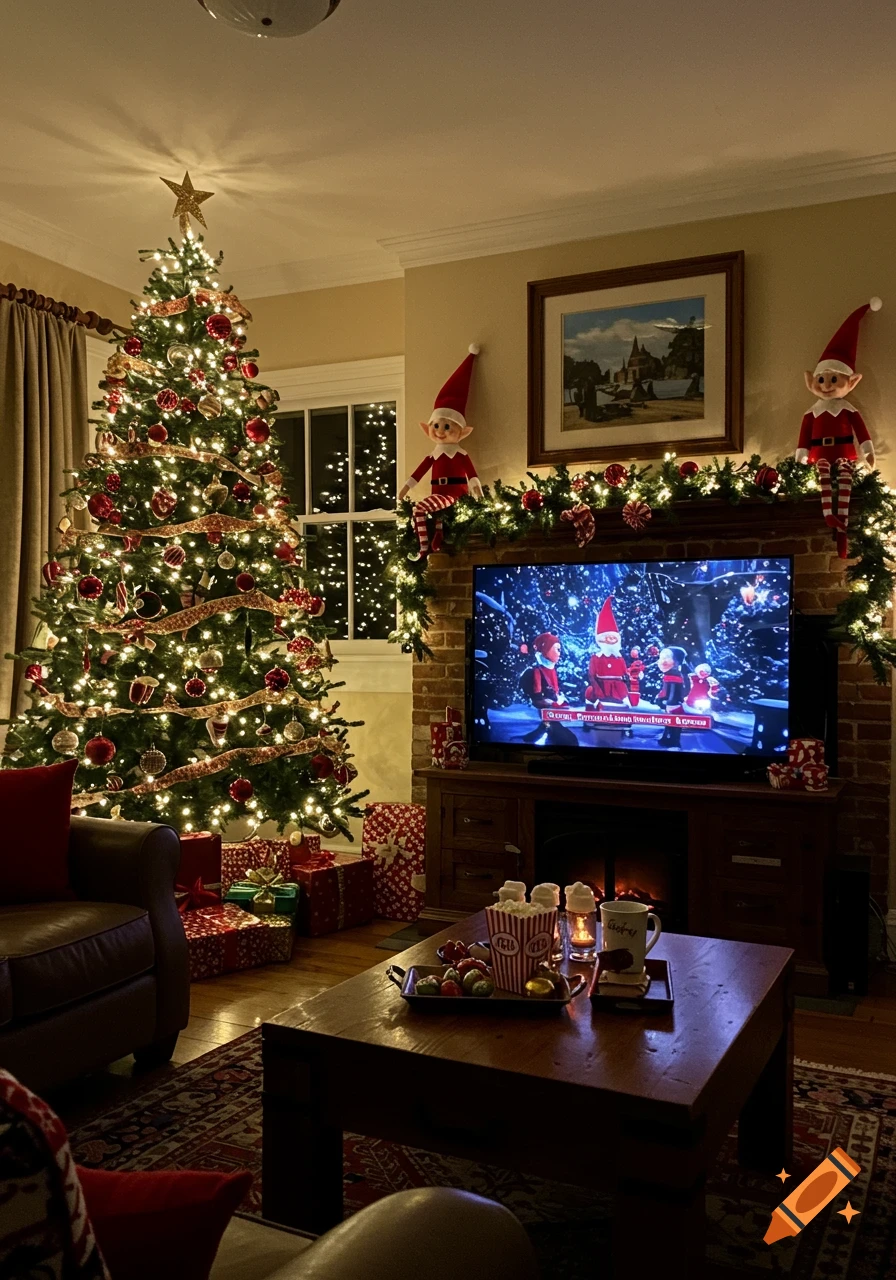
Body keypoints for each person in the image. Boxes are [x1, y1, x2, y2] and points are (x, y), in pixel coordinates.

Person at [795, 298, 880, 557]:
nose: (827, 385)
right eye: (822, 380)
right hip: (819, 455)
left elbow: (861, 431)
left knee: (845, 482)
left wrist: (868, 451)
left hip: (845, 454)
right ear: (812, 381)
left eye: (833, 379)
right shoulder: (812, 412)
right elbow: (804, 436)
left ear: (851, 382)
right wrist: (800, 455)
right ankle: (829, 515)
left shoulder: (848, 409)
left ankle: (842, 527)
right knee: (823, 481)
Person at [399, 345, 483, 560]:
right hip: (438, 493)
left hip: (454, 494)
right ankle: (437, 535)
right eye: (436, 426)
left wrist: (477, 490)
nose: (440, 431)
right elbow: (418, 473)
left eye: (447, 427)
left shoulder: (460, 454)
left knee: (419, 509)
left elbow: (472, 474)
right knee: (438, 513)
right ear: (428, 428)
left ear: (462, 432)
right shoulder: (433, 455)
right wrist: (405, 488)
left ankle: (422, 547)